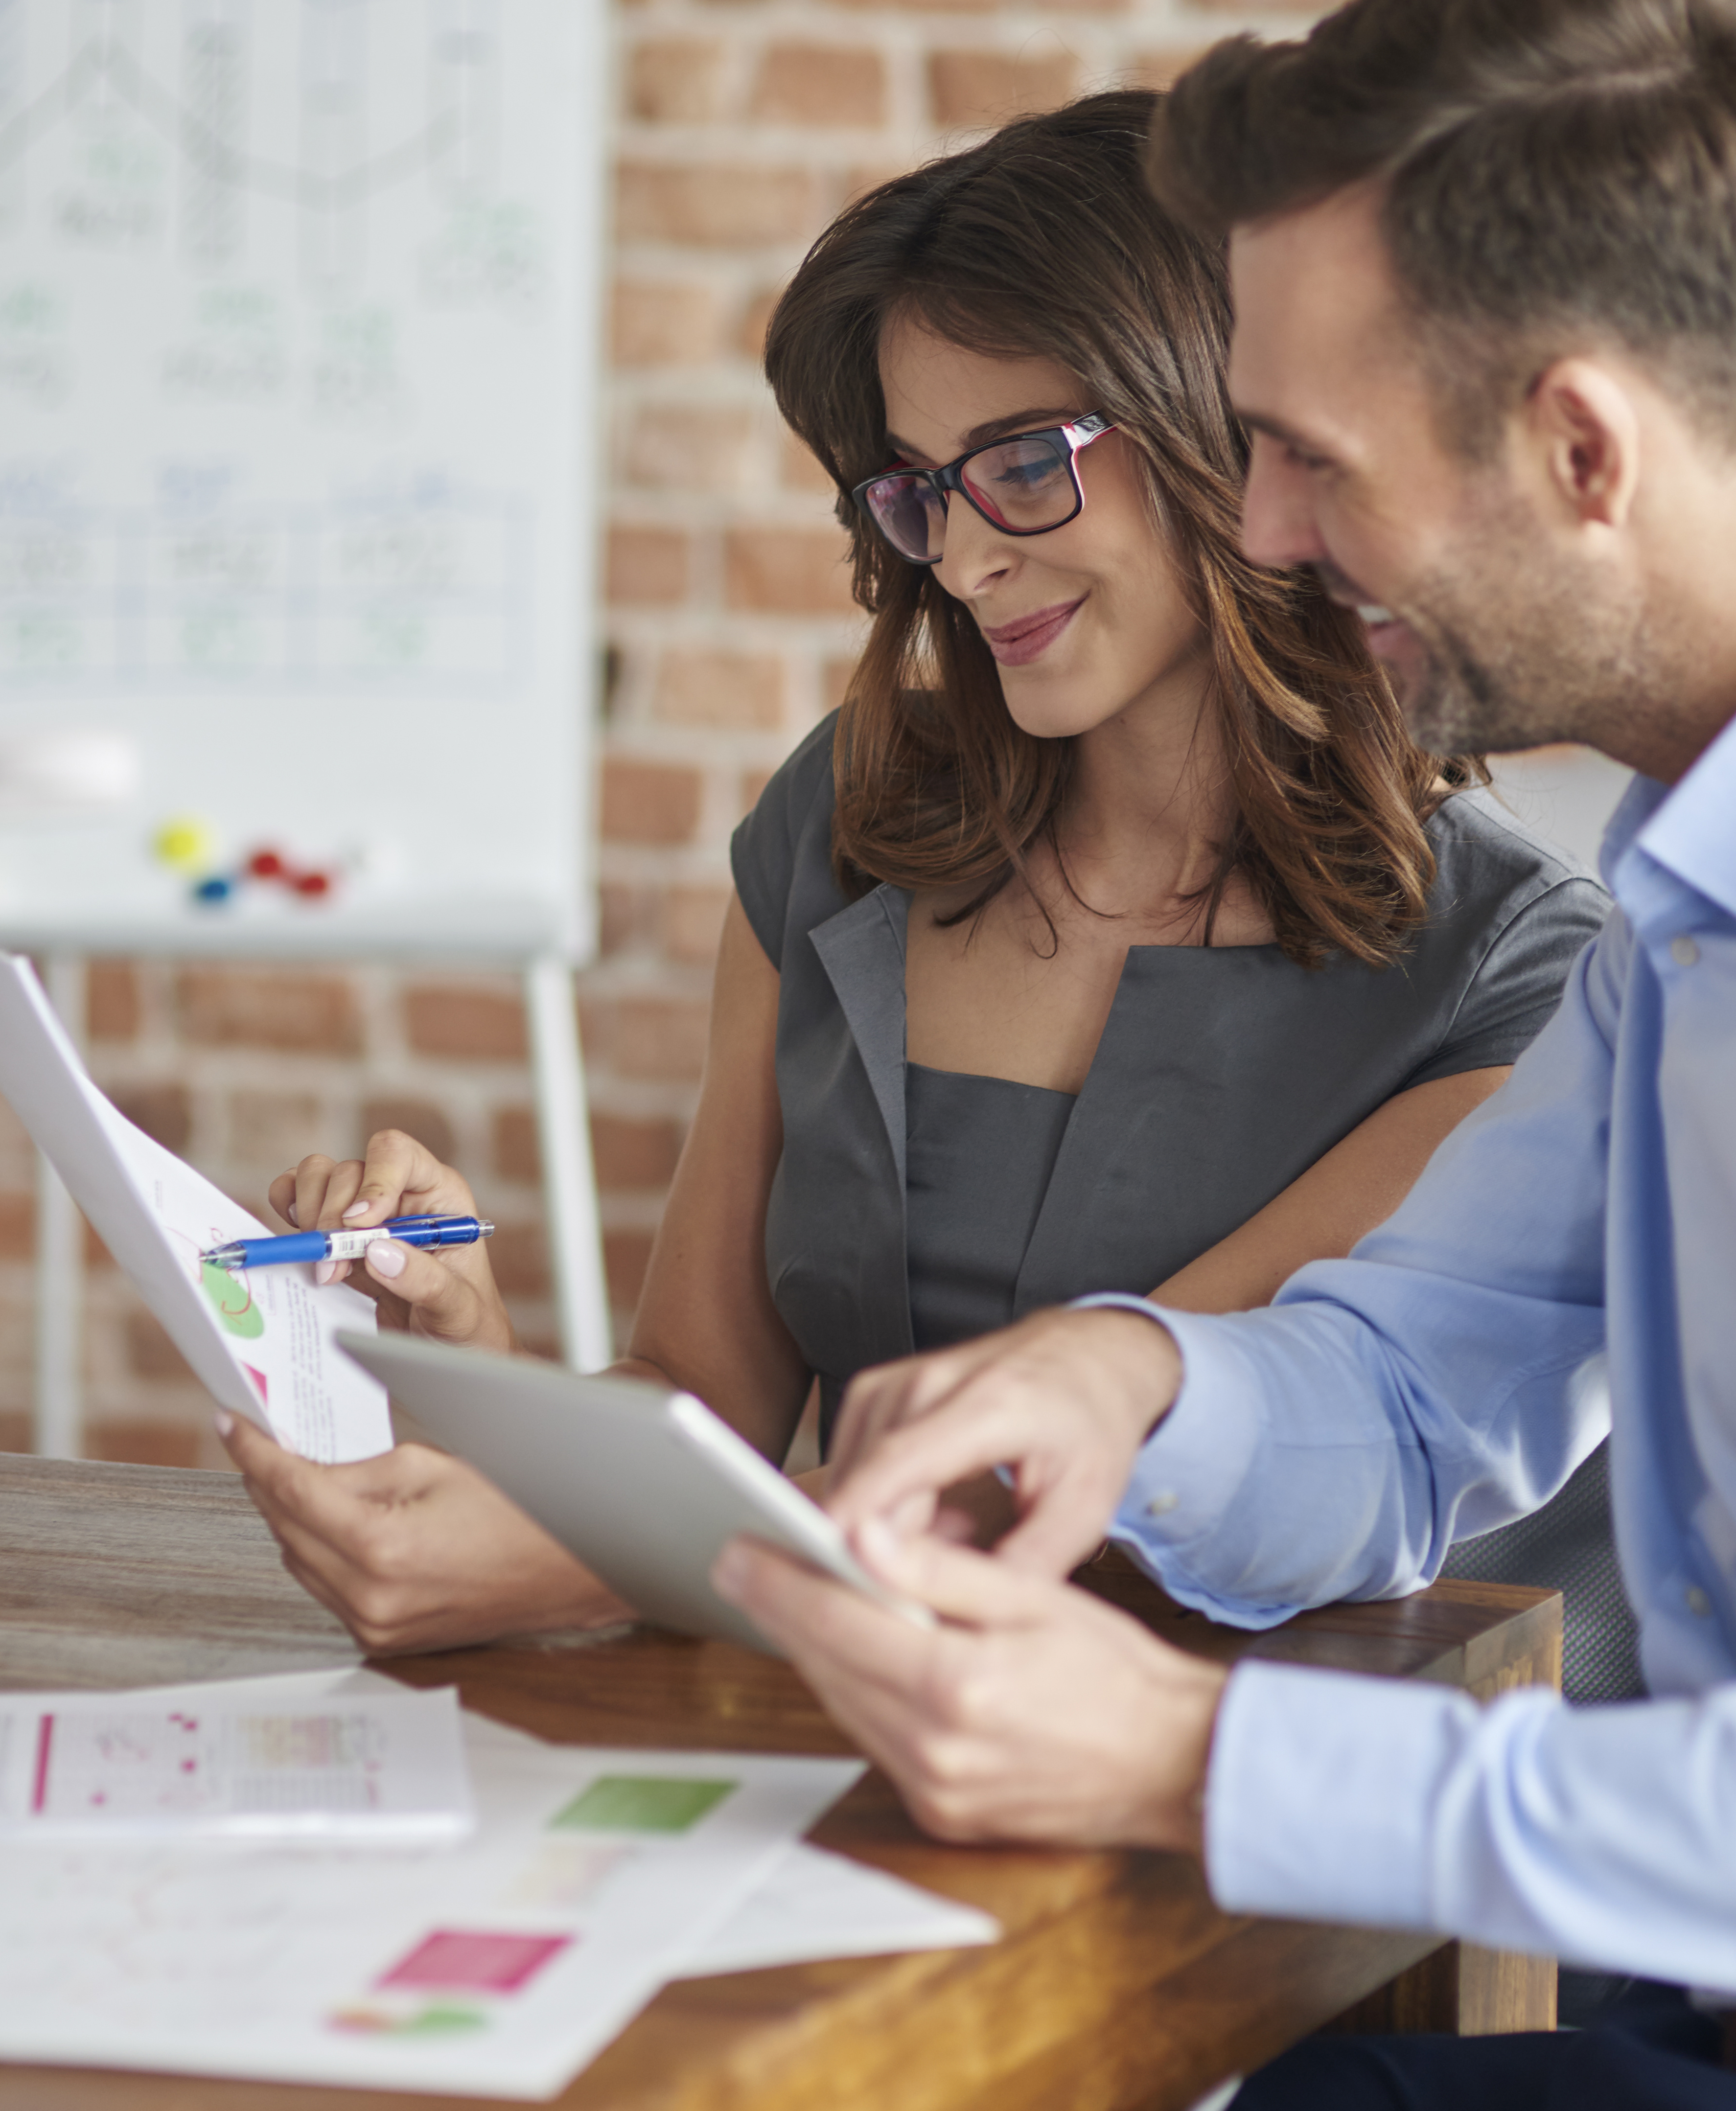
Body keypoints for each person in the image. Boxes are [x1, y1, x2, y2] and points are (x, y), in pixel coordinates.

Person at [715, 3, 1736, 2108]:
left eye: (1311, 456)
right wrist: (1120, 1379)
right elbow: (1418, 1372)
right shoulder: (1717, 897)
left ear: (1581, 451)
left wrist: (1197, 1754)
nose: (1258, 530)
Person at [217, 92, 1606, 1660]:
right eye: (918, 486)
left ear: (1227, 430)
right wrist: (466, 1363)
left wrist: (582, 1564)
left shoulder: (1515, 980)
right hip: (806, 1735)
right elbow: (700, 1400)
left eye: (1022, 463)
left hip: (1203, 1782)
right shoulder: (848, 817)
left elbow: (1108, 1467)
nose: (958, 554)